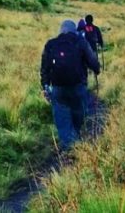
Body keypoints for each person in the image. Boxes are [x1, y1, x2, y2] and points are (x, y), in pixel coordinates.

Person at [40, 19, 100, 151]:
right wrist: (97, 69)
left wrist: (45, 86)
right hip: (78, 86)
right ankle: (76, 146)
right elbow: (93, 61)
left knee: (62, 119)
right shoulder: (81, 42)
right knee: (79, 113)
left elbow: (44, 68)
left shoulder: (50, 44)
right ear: (74, 30)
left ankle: (69, 147)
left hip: (57, 88)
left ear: (61, 30)